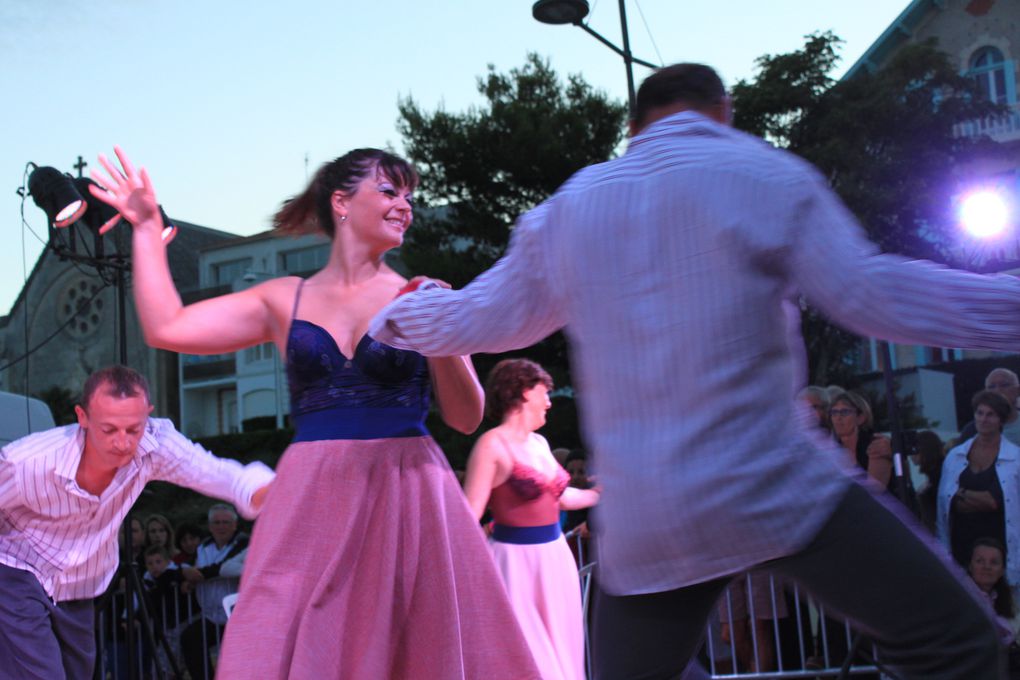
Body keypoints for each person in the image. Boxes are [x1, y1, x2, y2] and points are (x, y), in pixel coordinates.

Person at [368, 62, 1020, 678]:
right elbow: (872, 294)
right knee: (953, 639)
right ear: (722, 112)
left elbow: (482, 319)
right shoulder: (761, 173)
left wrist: (399, 314)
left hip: (650, 516)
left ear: (634, 127)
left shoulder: (570, 210)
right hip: (771, 484)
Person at [89, 147, 539, 679]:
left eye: (410, 197)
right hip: (313, 495)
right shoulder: (285, 299)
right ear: (342, 202)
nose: (405, 206)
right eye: (390, 191)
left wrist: (436, 331)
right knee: (286, 634)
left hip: (408, 490)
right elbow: (167, 327)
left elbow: (467, 418)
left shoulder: (423, 294)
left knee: (413, 644)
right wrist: (144, 228)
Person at [0, 365, 273, 679]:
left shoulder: (155, 446)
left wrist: (262, 491)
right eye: (109, 429)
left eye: (133, 429)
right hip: (16, 567)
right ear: (83, 417)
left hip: (79, 580)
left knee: (79, 673)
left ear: (148, 415)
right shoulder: (27, 462)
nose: (122, 442)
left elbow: (213, 471)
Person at [464, 359, 600, 680]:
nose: (549, 402)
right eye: (544, 393)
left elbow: (562, 497)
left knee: (562, 653)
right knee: (528, 658)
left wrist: (604, 493)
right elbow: (468, 515)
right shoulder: (491, 445)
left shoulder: (540, 443)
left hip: (553, 559)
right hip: (514, 563)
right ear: (524, 392)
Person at [938, 390, 1020, 582]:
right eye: (980, 413)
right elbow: (948, 502)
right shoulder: (955, 456)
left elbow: (993, 502)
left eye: (990, 414)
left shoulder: (1016, 458)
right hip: (961, 547)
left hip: (1002, 547)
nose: (983, 419)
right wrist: (974, 498)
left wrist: (962, 493)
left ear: (1001, 419)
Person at [179, 504, 248, 680]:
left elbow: (225, 567)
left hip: (237, 615)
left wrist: (200, 575)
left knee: (237, 657)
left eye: (226, 522)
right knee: (190, 638)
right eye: (216, 522)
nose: (221, 526)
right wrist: (188, 577)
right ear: (210, 526)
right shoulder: (203, 547)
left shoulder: (244, 543)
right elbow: (190, 566)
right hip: (210, 614)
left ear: (234, 524)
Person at [829, 391, 893, 489]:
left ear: (861, 418)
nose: (838, 418)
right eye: (834, 412)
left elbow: (875, 490)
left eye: (844, 412)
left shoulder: (876, 444)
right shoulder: (831, 448)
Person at [957, 369, 1020, 446]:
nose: (997, 390)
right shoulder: (972, 430)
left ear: (1018, 390)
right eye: (991, 387)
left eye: (1004, 385)